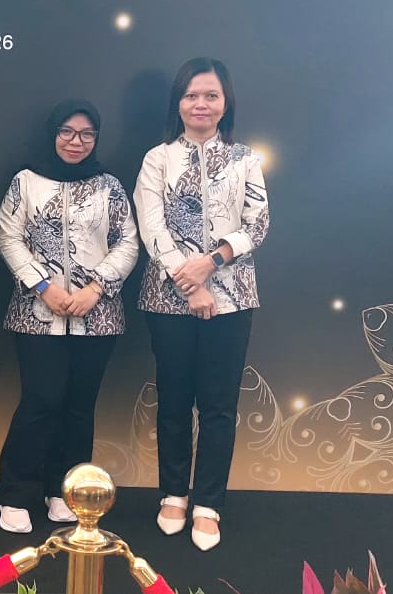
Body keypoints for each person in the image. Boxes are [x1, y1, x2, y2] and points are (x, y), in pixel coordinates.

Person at [134, 57, 269, 551]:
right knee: (173, 399)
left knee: (218, 405)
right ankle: (173, 493)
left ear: (225, 102)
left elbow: (257, 224)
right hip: (167, 297)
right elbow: (151, 226)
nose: (201, 104)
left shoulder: (245, 159)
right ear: (178, 102)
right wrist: (190, 283)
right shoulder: (158, 159)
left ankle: (208, 503)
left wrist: (211, 262)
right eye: (191, 95)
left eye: (211, 95)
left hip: (233, 298)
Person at [0, 99, 139, 534]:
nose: (77, 142)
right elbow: (9, 238)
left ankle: (65, 490)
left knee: (79, 407)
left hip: (97, 316)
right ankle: (15, 493)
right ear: (53, 133)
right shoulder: (26, 181)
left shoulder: (109, 186)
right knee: (41, 400)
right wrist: (44, 287)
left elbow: (128, 242)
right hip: (38, 314)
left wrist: (95, 288)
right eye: (68, 132)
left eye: (87, 134)